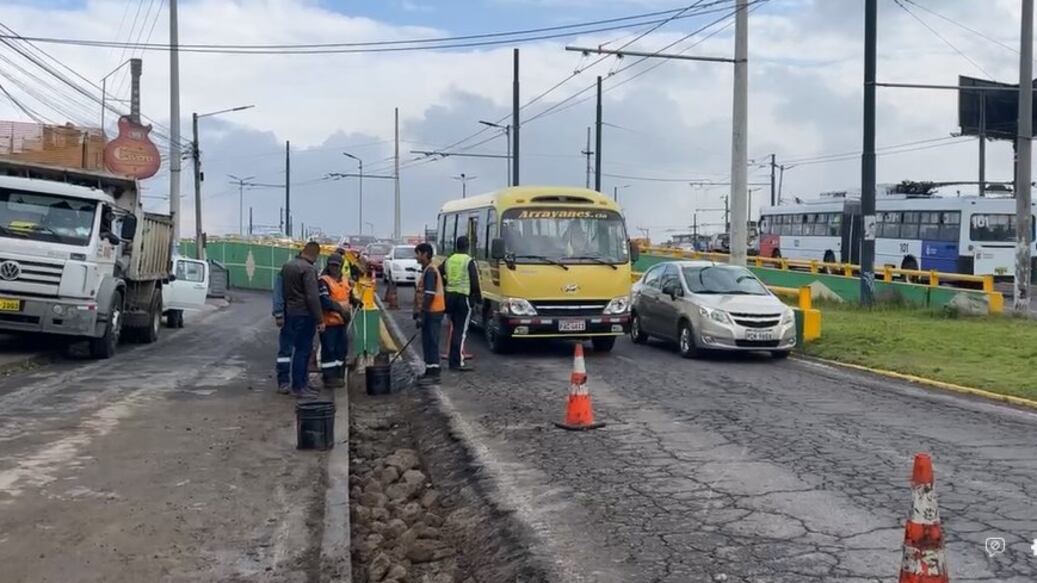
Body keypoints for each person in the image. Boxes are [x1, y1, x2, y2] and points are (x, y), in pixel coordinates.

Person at [279, 241, 325, 398]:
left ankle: (300, 383)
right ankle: (299, 386)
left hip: (290, 312)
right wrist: (320, 319)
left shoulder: (288, 266)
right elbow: (312, 297)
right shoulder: (309, 269)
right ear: (315, 254)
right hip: (305, 314)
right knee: (303, 350)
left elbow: (282, 291)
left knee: (294, 348)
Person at [440, 235, 481, 371]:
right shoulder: (469, 261)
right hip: (463, 297)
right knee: (460, 331)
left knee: (455, 328)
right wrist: (478, 299)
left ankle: (454, 360)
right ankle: (457, 363)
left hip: (450, 297)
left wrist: (447, 283)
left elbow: (439, 273)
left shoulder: (449, 259)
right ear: (467, 246)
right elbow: (474, 281)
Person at [412, 243, 445, 385]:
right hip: (430, 312)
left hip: (433, 312)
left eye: (418, 253)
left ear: (425, 254)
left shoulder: (430, 271)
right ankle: (430, 370)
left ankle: (434, 373)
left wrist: (422, 315)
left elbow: (429, 295)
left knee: (431, 342)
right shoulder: (427, 270)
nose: (416, 257)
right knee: (427, 342)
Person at [318, 253, 352, 389]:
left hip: (341, 323)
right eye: (332, 265)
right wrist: (340, 310)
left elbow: (347, 295)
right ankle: (329, 377)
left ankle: (339, 375)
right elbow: (325, 301)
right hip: (329, 323)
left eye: (337, 266)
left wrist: (355, 301)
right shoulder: (324, 281)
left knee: (341, 351)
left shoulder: (344, 280)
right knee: (329, 351)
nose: (334, 268)